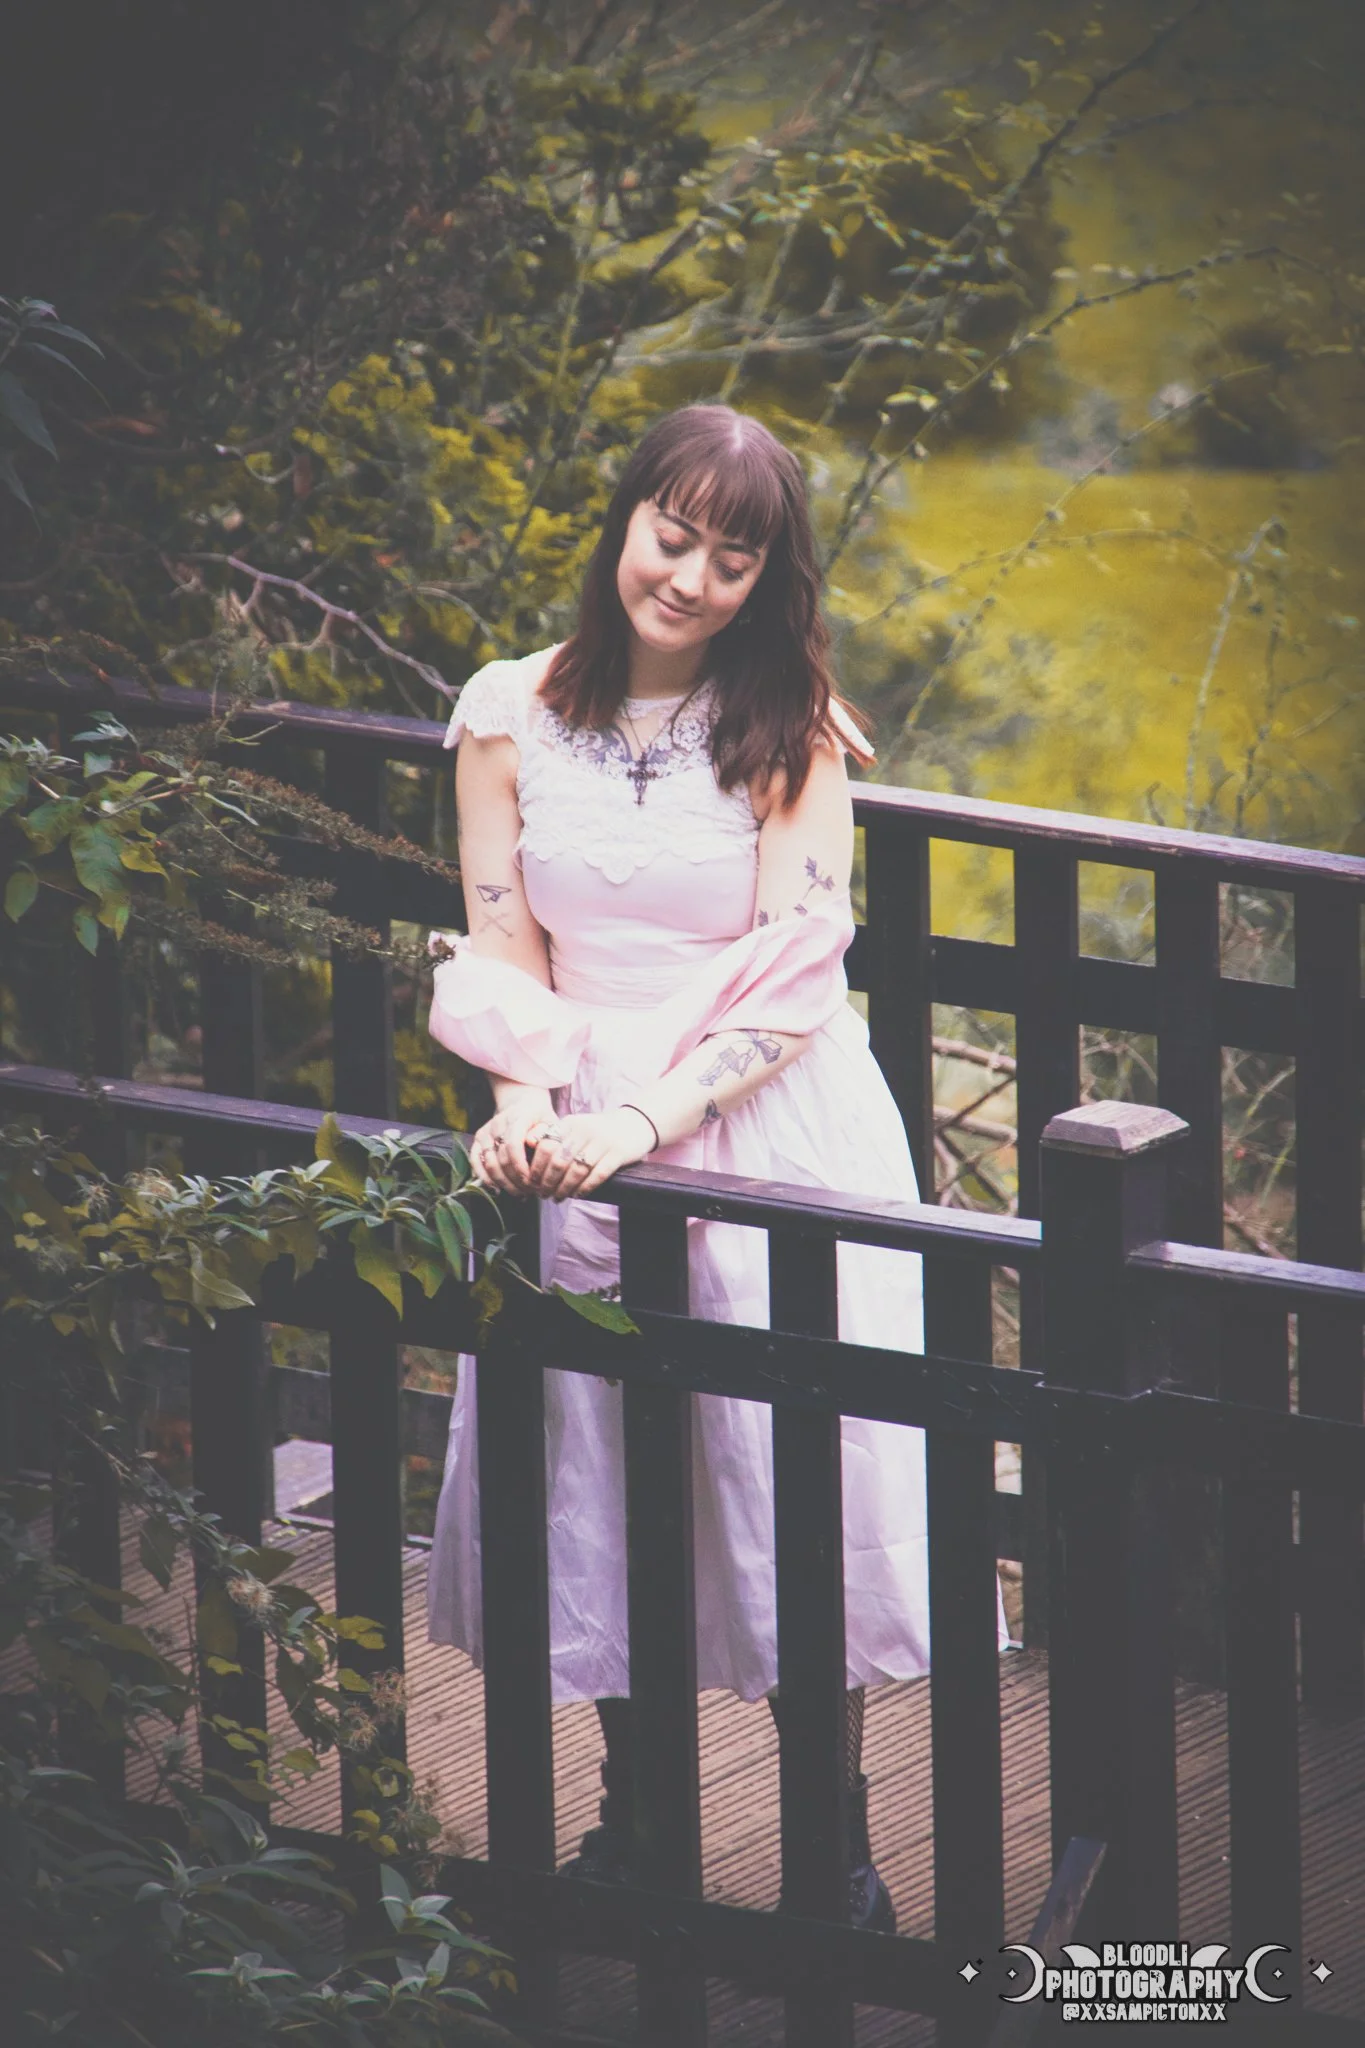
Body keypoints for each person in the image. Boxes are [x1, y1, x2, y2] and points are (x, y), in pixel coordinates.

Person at [425, 402, 1011, 1933]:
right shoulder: (506, 715)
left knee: (788, 1458)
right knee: (599, 1455)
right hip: (578, 1127)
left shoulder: (793, 735)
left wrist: (646, 1121)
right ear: (622, 523)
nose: (688, 579)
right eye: (670, 537)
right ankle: (638, 1819)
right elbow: (506, 942)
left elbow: (798, 981)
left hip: (760, 1118)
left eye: (731, 558)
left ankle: (833, 1838)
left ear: (769, 579)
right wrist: (524, 1100)